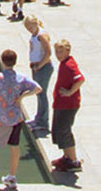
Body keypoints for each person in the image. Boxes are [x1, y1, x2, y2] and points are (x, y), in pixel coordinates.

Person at [0, 48, 39, 191]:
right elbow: (38, 88)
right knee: (14, 147)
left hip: (0, 118)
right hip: (15, 118)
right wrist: (22, 97)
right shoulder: (21, 78)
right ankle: (11, 177)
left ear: (2, 61)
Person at [50, 39, 85, 171]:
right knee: (58, 130)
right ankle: (66, 156)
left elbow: (80, 79)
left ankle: (73, 161)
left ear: (68, 51)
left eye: (61, 52)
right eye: (56, 52)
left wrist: (70, 92)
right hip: (60, 103)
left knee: (64, 131)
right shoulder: (63, 63)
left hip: (68, 105)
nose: (58, 54)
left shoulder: (70, 65)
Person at [23, 13, 53, 137]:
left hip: (42, 67)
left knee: (41, 93)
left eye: (30, 26)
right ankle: (38, 118)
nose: (29, 29)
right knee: (38, 93)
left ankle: (43, 122)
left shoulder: (41, 35)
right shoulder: (35, 35)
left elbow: (48, 53)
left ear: (35, 24)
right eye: (27, 28)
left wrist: (39, 66)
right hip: (36, 66)